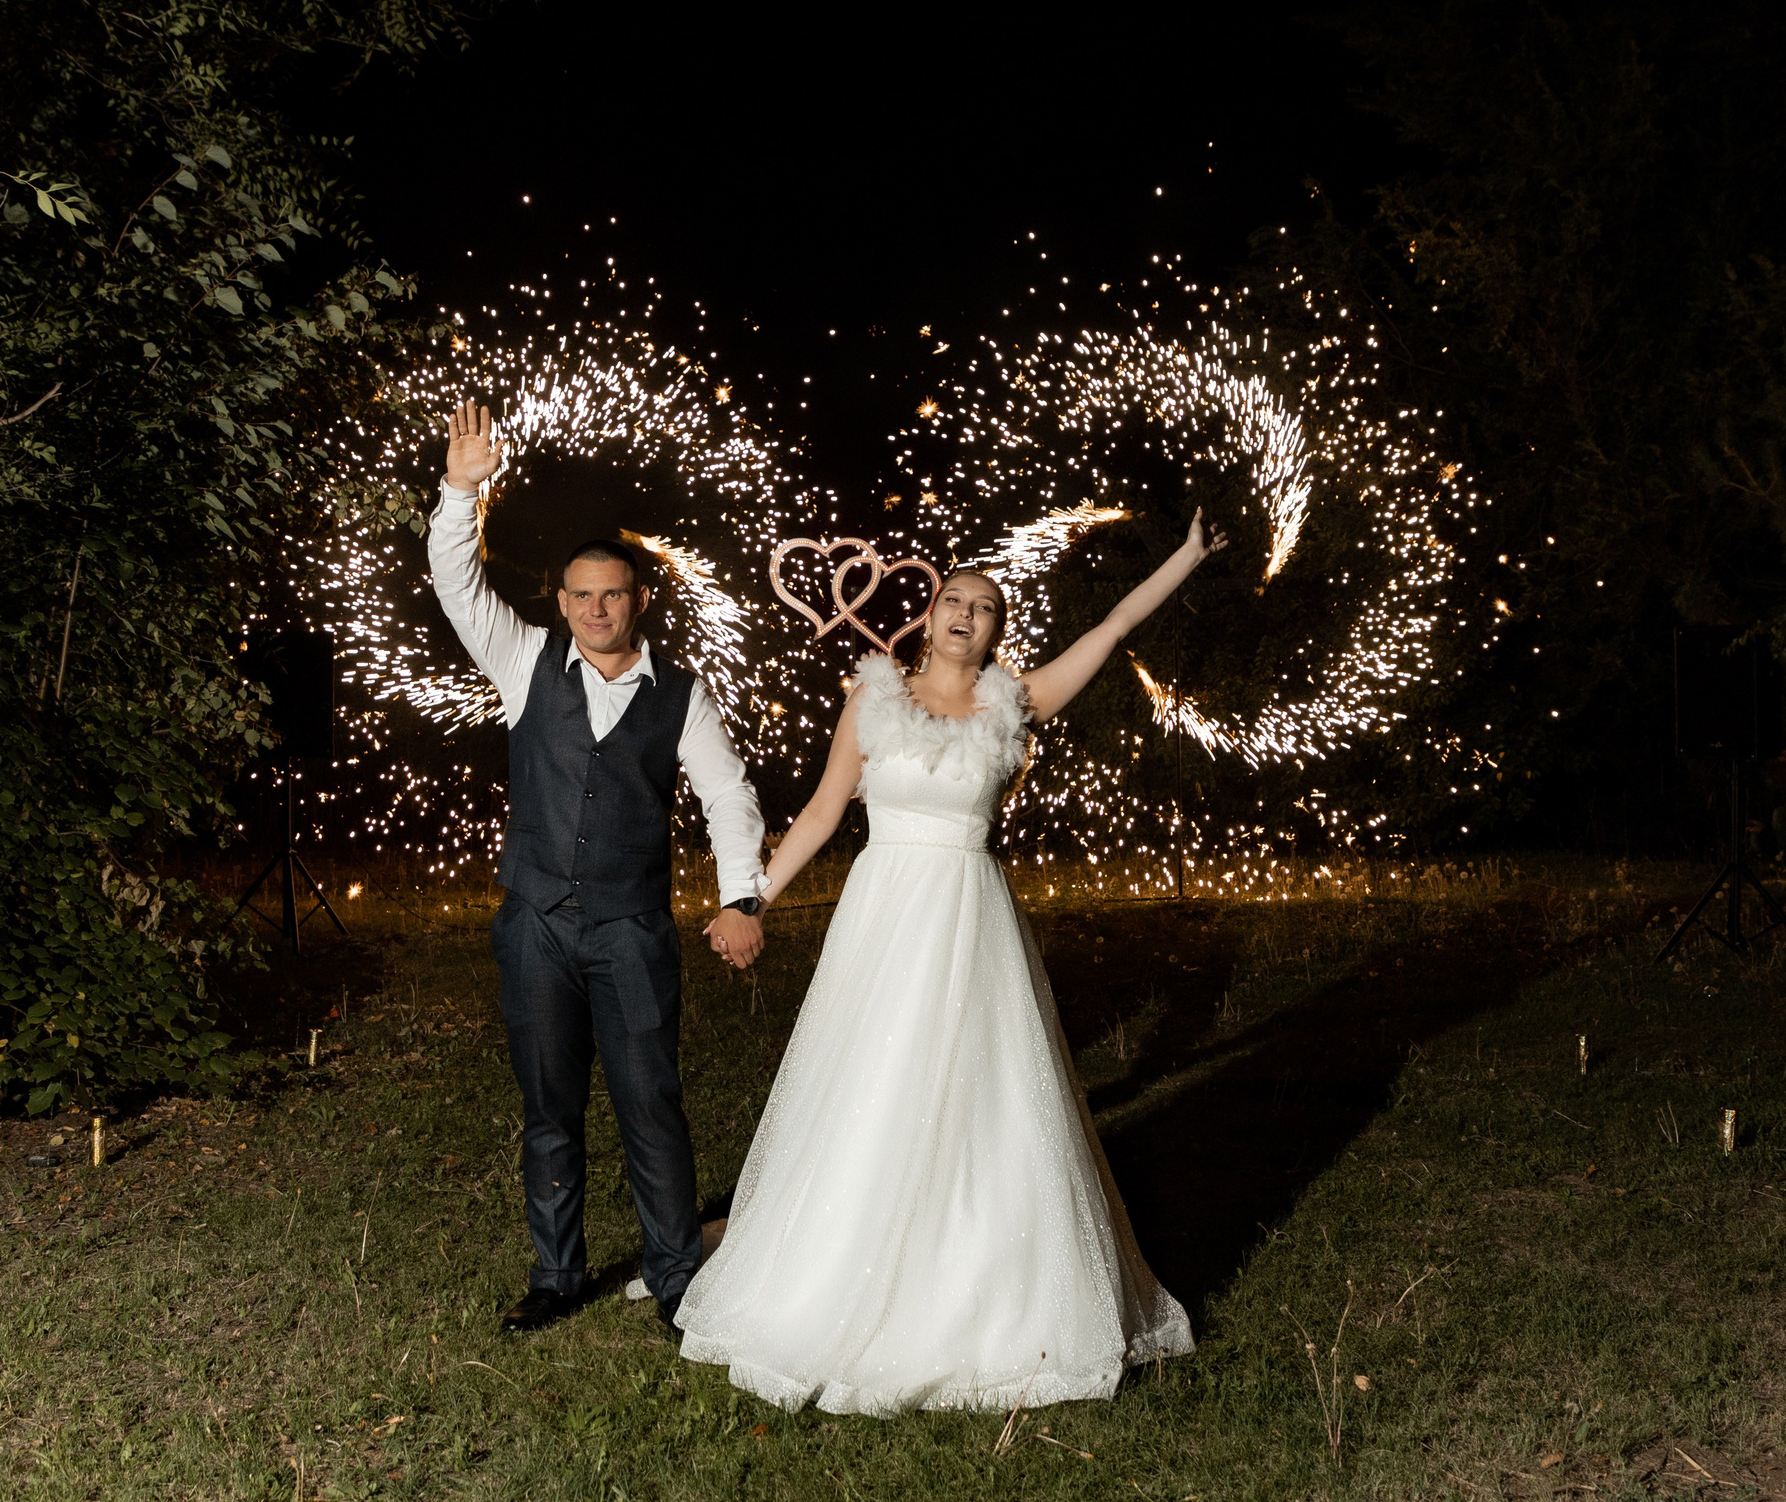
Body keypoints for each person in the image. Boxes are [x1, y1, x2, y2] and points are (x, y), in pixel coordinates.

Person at [674, 524, 1210, 1413]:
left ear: (998, 632)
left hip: (971, 917)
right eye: (955, 600)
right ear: (928, 616)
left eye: (986, 608)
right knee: (872, 1083)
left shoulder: (1015, 702)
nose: (968, 614)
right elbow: (818, 813)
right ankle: (839, 1266)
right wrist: (753, 900)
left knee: (986, 1093)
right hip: (884, 919)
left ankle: (989, 1292)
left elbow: (1112, 628)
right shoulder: (875, 696)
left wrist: (1185, 557)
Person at [428, 400, 770, 1334]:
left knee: (651, 1105)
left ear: (640, 600)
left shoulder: (684, 699)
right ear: (562, 601)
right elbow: (458, 588)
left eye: (611, 594)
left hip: (630, 931)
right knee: (550, 1109)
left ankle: (675, 1278)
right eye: (579, 595)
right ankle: (557, 1274)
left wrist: (741, 896)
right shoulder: (524, 662)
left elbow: (729, 800)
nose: (594, 608)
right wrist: (464, 491)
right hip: (535, 924)